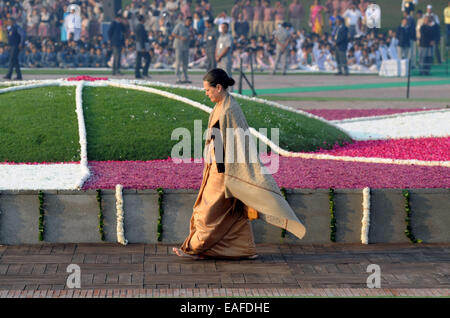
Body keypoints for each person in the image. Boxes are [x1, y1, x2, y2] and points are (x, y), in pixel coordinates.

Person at [172, 68, 306, 260]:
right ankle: (244, 249)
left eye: (208, 90)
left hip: (223, 172)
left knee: (208, 213)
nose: (206, 94)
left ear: (218, 87)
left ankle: (194, 248)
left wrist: (224, 173)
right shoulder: (223, 105)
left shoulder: (228, 109)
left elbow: (231, 143)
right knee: (233, 213)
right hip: (218, 169)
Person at [172, 16, 193, 84]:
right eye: (189, 21)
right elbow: (173, 33)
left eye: (190, 22)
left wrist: (191, 35)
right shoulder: (179, 25)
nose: (189, 23)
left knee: (185, 63)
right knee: (178, 62)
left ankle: (185, 78)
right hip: (178, 46)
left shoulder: (189, 28)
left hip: (186, 47)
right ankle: (178, 78)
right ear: (186, 20)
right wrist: (180, 37)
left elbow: (190, 36)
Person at [135, 14, 151, 79]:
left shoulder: (139, 26)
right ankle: (141, 73)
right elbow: (141, 37)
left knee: (140, 59)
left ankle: (141, 73)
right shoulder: (140, 26)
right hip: (141, 45)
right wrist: (143, 47)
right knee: (146, 58)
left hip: (140, 44)